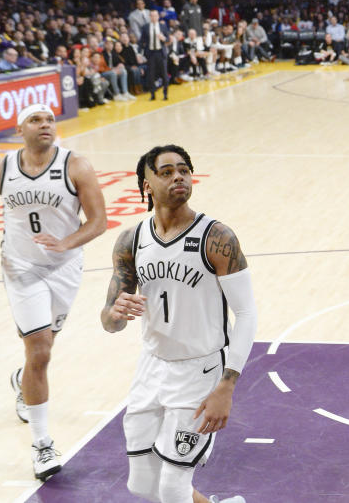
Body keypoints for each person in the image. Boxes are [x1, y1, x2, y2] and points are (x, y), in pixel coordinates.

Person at [101, 145, 255, 503]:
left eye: (184, 170)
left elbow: (246, 315)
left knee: (172, 487)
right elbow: (110, 322)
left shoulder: (217, 238)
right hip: (151, 367)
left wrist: (227, 385)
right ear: (147, 184)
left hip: (201, 370)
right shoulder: (132, 240)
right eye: (166, 172)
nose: (178, 178)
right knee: (141, 484)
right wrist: (114, 312)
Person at [0, 104, 107, 479]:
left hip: (64, 267)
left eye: (50, 120)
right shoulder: (3, 168)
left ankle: (22, 380)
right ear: (19, 128)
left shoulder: (76, 165)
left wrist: (67, 241)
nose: (46, 125)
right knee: (39, 347)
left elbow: (98, 221)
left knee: (45, 348)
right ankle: (42, 445)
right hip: (21, 268)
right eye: (36, 120)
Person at [140, 9, 170, 101]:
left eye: (155, 15)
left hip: (160, 52)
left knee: (164, 74)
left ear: (158, 16)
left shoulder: (163, 26)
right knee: (151, 75)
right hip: (151, 53)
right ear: (149, 17)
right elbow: (142, 41)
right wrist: (139, 53)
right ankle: (152, 94)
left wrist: (163, 38)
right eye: (152, 15)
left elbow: (168, 39)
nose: (154, 17)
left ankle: (165, 94)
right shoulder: (145, 27)